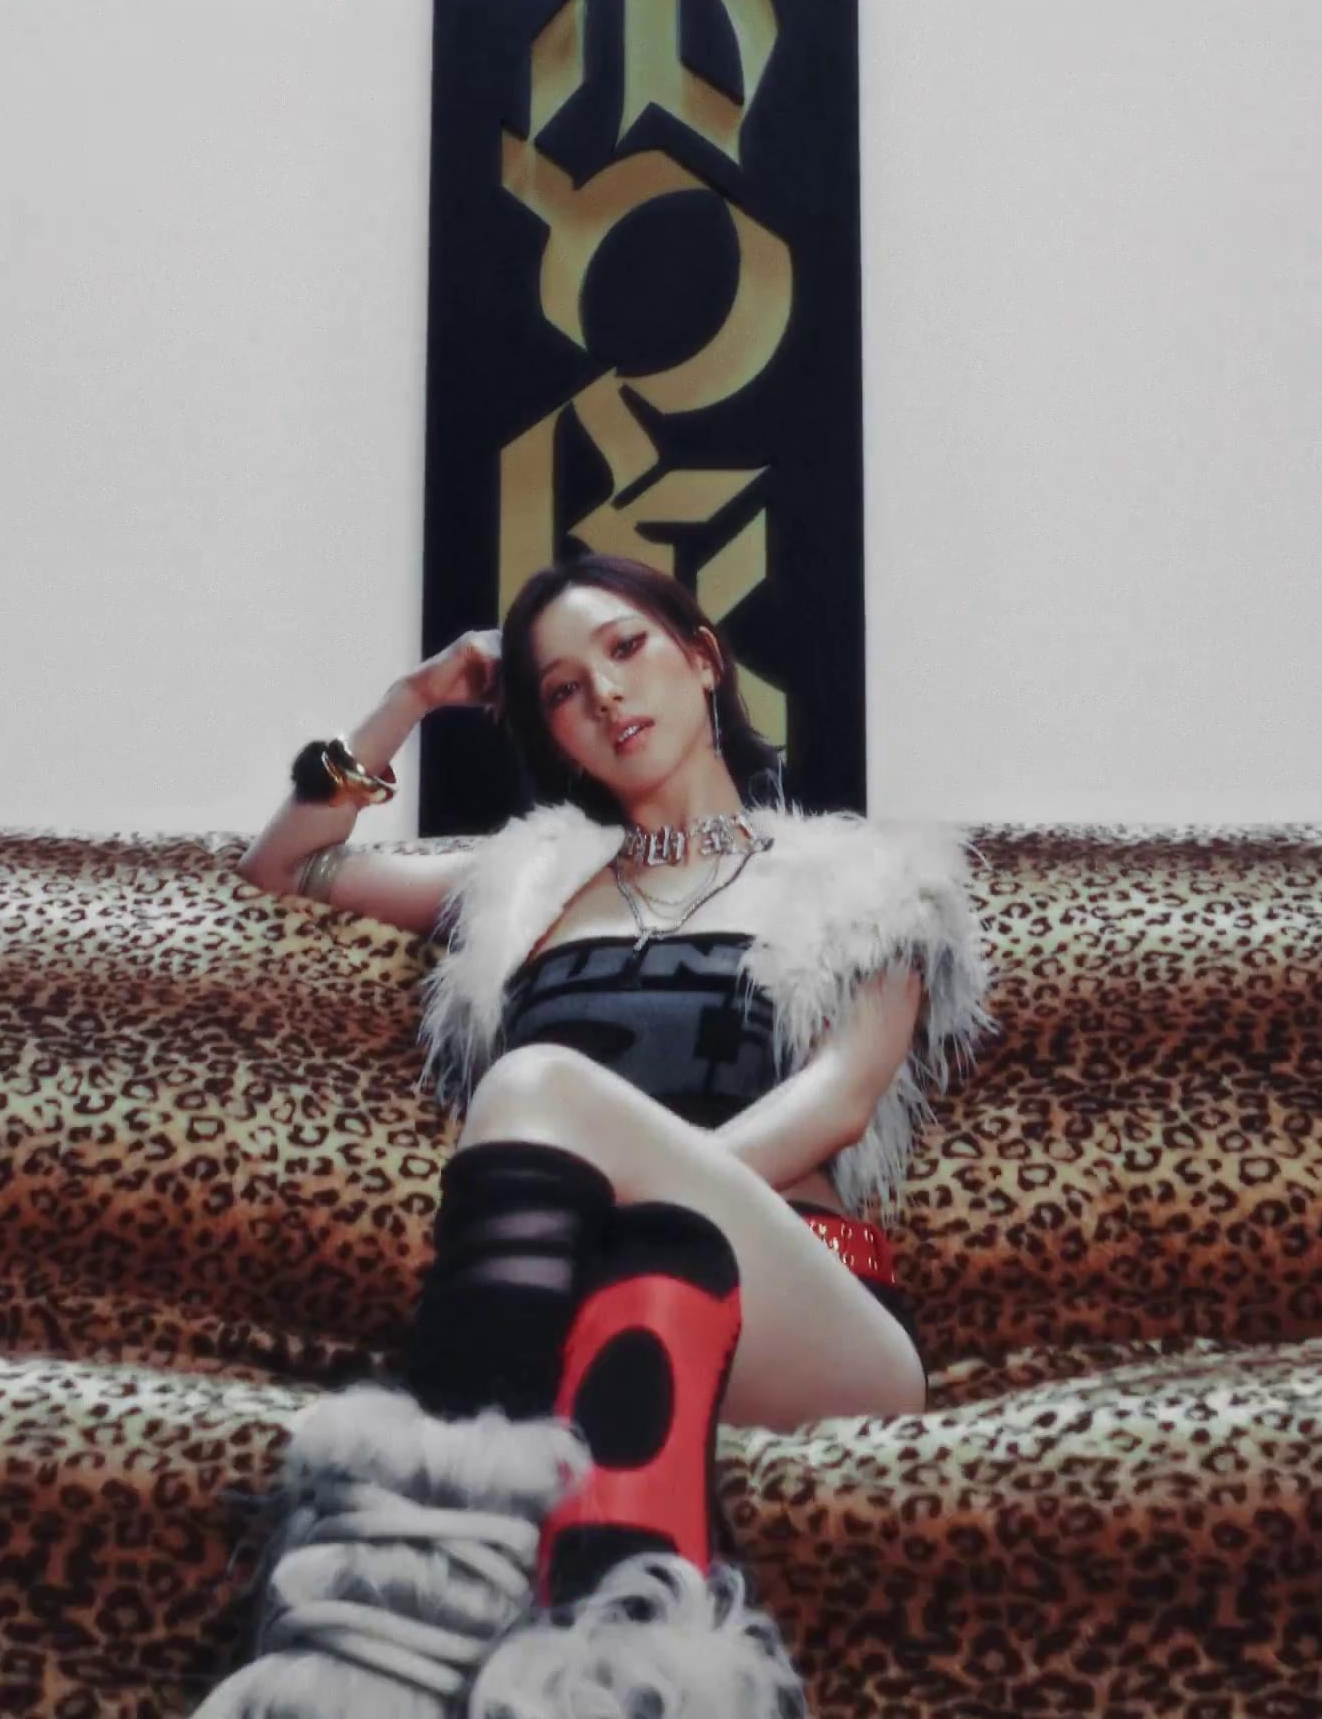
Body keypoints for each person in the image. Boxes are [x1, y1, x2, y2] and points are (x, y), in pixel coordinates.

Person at [192, 553, 997, 1719]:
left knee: (542, 1092)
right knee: (650, 1280)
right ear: (556, 736)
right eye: (563, 690)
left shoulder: (863, 878)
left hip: (813, 1317)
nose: (605, 695)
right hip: (611, 1305)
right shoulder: (526, 883)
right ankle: (622, 1677)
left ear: (703, 660)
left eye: (626, 649)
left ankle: (401, 1615)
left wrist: (615, 1190)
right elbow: (287, 863)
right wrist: (410, 699)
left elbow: (839, 1101)